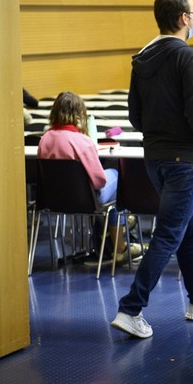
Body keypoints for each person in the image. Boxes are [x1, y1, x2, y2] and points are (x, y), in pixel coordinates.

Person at [111, 0, 193, 339]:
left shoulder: (142, 58)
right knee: (169, 234)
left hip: (155, 159)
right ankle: (131, 308)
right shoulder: (188, 58)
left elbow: (135, 116)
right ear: (183, 19)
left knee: (189, 228)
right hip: (185, 160)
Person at [37, 91, 141, 265]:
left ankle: (112, 233)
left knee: (114, 192)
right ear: (79, 115)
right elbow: (99, 181)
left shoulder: (44, 140)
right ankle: (119, 245)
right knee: (117, 177)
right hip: (86, 200)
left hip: (53, 200)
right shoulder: (82, 141)